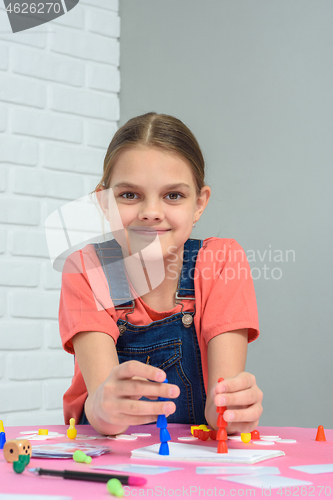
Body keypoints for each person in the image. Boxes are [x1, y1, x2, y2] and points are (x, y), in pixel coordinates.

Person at [59, 112, 263, 437]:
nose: (151, 212)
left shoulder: (222, 260)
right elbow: (102, 408)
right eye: (129, 195)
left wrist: (229, 410)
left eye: (173, 195)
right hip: (109, 456)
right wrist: (105, 406)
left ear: (199, 204)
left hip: (191, 464)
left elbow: (219, 407)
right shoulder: (87, 269)